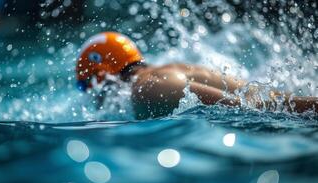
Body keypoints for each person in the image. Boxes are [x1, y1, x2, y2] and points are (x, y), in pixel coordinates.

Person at [76, 32, 318, 119]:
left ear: (102, 77)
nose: (93, 98)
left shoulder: (147, 89)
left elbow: (256, 112)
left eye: (86, 87)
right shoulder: (172, 67)